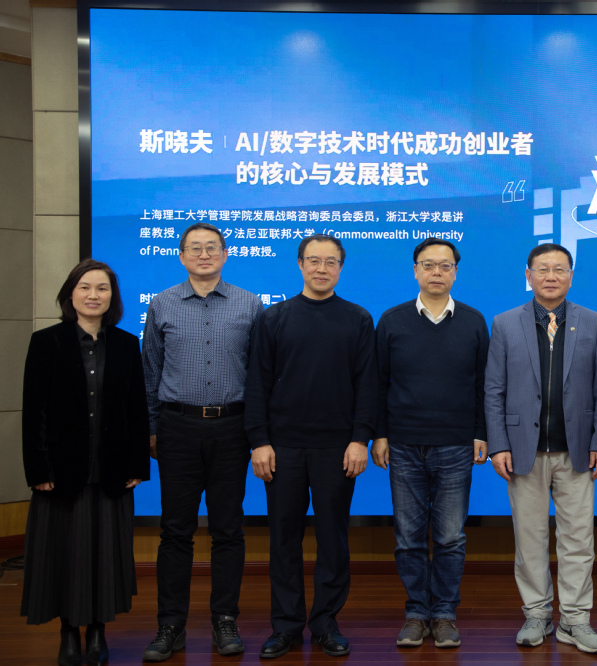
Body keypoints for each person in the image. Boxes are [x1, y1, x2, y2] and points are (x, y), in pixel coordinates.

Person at [244, 234, 377, 659]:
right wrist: (259, 441)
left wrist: (359, 439)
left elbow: (367, 385)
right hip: (282, 448)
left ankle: (325, 623)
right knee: (283, 539)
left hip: (337, 448)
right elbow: (257, 383)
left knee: (332, 539)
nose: (322, 268)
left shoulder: (358, 319)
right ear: (300, 265)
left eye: (330, 261)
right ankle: (285, 626)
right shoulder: (274, 318)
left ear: (341, 267)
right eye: (313, 260)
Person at [141, 223, 263, 661]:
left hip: (232, 428)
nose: (204, 254)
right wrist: (152, 429)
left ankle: (224, 620)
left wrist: (258, 432)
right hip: (177, 427)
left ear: (225, 254)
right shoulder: (162, 304)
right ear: (181, 256)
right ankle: (170, 625)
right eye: (195, 248)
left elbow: (260, 375)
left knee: (228, 530)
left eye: (212, 247)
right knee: (176, 531)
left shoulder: (250, 304)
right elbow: (150, 372)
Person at [484, 242, 597, 654]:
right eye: (543, 269)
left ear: (571, 276)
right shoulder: (505, 323)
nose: (551, 276)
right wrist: (498, 444)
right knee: (530, 540)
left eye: (560, 269)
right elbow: (494, 389)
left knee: (579, 540)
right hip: (523, 450)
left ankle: (575, 620)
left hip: (577, 451)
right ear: (528, 275)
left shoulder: (594, 322)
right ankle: (537, 614)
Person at [21, 259, 149, 666]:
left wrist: (137, 465)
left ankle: (97, 632)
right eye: (85, 287)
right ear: (70, 294)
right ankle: (68, 634)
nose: (94, 295)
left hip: (112, 472)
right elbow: (33, 412)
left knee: (104, 558)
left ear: (113, 297)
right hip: (61, 474)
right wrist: (38, 470)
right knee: (64, 556)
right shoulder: (47, 342)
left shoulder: (127, 344)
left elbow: (136, 409)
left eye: (102, 288)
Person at [372, 238, 489, 649]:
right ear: (416, 270)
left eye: (445, 265)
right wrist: (380, 434)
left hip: (455, 445)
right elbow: (378, 382)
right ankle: (416, 613)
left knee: (450, 537)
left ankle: (444, 614)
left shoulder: (474, 321)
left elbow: (483, 384)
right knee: (408, 537)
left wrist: (481, 432)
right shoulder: (392, 320)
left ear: (455, 272)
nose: (437, 272)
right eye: (428, 265)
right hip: (403, 444)